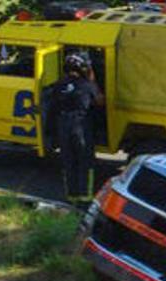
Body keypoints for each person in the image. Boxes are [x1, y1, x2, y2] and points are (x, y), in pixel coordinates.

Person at [49, 53, 104, 207]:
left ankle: (71, 198)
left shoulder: (59, 84)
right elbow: (100, 101)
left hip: (63, 126)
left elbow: (53, 107)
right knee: (85, 162)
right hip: (80, 126)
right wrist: (94, 81)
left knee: (69, 162)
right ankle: (85, 199)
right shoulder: (87, 84)